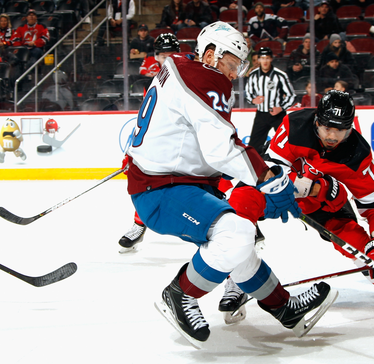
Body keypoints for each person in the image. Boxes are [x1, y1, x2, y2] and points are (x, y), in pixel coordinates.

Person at [124, 21, 337, 347]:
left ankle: (283, 307)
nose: (235, 73)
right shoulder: (205, 78)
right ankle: (180, 293)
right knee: (235, 233)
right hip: (162, 188)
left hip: (176, 179)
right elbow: (221, 146)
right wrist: (267, 178)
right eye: (232, 63)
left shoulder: (178, 66)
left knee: (239, 239)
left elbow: (185, 135)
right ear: (211, 54)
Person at [264, 90, 374, 321]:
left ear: (350, 127)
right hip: (277, 192)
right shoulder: (295, 125)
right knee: (243, 202)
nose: (333, 136)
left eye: (340, 130)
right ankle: (238, 280)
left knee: (360, 246)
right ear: (316, 121)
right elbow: (268, 170)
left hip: (324, 205)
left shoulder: (357, 153)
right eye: (327, 129)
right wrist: (292, 185)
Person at [119, 33, 184, 252]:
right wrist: (131, 152)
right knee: (141, 177)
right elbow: (145, 119)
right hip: (161, 142)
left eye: (170, 55)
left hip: (185, 143)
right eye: (162, 55)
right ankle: (139, 224)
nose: (166, 59)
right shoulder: (153, 83)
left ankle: (231, 224)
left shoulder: (188, 76)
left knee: (207, 183)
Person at [244, 46, 297, 156]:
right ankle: (255, 169)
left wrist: (281, 108)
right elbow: (248, 93)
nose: (265, 61)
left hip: (278, 115)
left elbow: (291, 95)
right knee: (254, 145)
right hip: (261, 114)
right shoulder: (253, 75)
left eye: (267, 58)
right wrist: (253, 100)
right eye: (262, 58)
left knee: (287, 142)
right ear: (258, 59)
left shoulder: (280, 75)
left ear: (271, 59)